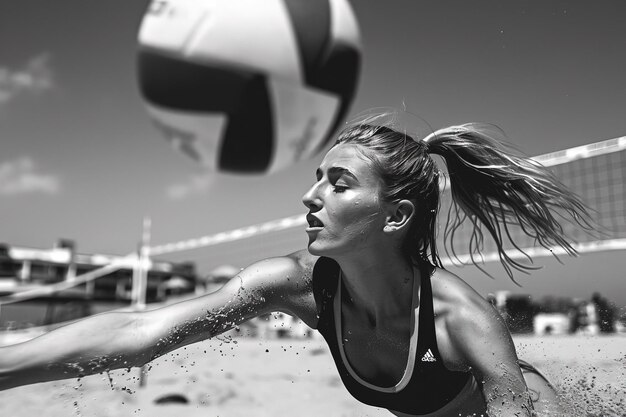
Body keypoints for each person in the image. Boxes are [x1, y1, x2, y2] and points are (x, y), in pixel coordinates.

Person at [0, 111, 592, 416]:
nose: (311, 198)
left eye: (338, 184)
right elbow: (139, 332)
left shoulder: (462, 322)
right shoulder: (298, 285)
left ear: (394, 216)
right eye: (317, 180)